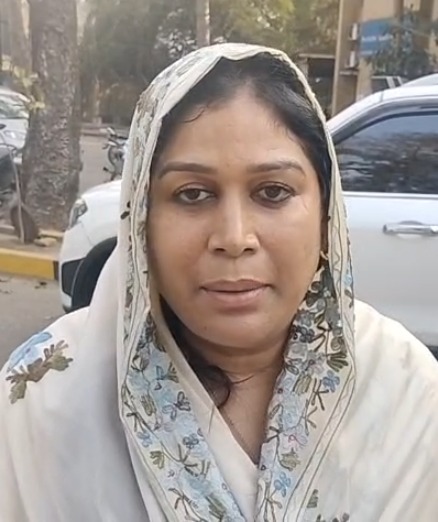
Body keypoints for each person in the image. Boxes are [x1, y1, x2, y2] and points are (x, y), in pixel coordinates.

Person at [1, 43, 438, 522]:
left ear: (325, 214)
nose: (234, 238)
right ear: (140, 218)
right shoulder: (47, 398)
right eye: (192, 194)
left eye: (273, 192)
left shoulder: (405, 391)